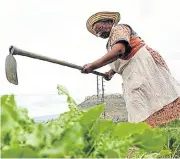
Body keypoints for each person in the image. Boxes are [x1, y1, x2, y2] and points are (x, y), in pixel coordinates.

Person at [81, 11, 180, 127]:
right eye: (97, 33)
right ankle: (142, 139)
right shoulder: (110, 44)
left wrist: (92, 65)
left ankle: (138, 140)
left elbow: (119, 51)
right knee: (138, 107)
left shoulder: (119, 29)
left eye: (100, 27)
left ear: (110, 22)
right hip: (132, 73)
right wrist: (111, 72)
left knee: (148, 102)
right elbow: (119, 60)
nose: (99, 32)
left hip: (142, 65)